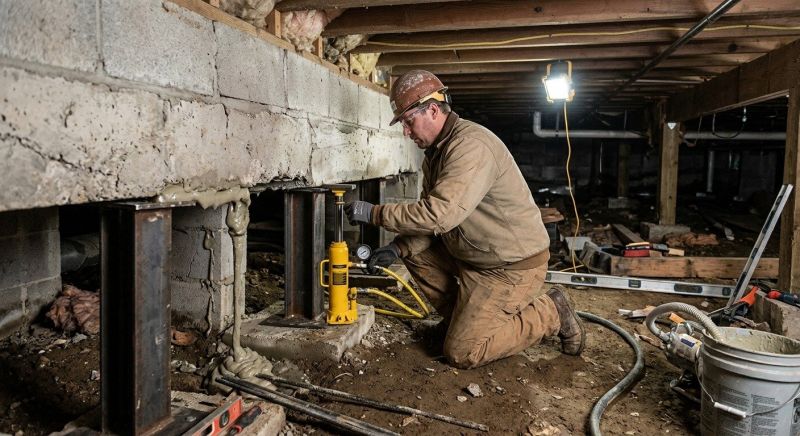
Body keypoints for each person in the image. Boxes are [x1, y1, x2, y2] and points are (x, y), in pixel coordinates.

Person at [345, 70, 585, 369]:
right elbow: (430, 221)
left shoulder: (470, 147)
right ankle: (460, 321)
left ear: (433, 110)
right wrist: (396, 249)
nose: (406, 131)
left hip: (508, 267)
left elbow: (438, 216)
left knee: (462, 352)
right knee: (413, 252)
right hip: (476, 256)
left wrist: (373, 213)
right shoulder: (435, 153)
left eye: (408, 121)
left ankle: (551, 311)